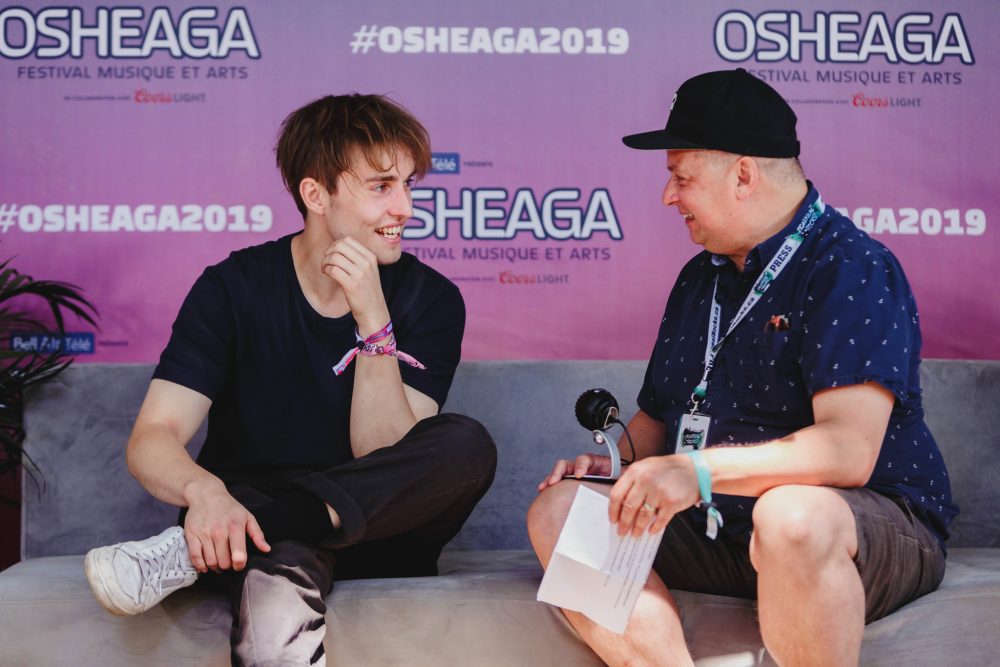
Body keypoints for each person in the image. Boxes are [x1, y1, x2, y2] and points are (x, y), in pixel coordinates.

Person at [527, 68, 957, 667]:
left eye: (681, 178)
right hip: (718, 523)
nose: (667, 196)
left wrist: (695, 471)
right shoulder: (698, 276)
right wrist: (624, 468)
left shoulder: (850, 266)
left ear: (744, 175)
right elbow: (659, 417)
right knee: (563, 509)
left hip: (860, 524)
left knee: (791, 514)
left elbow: (846, 452)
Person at [84, 93, 497, 666]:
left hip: (380, 533)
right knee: (274, 576)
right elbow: (152, 436)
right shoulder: (233, 287)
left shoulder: (432, 300)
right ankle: (248, 529)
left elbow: (382, 455)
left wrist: (373, 320)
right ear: (316, 194)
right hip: (242, 526)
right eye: (382, 186)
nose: (404, 206)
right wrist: (206, 494)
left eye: (408, 185)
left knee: (465, 443)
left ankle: (185, 554)